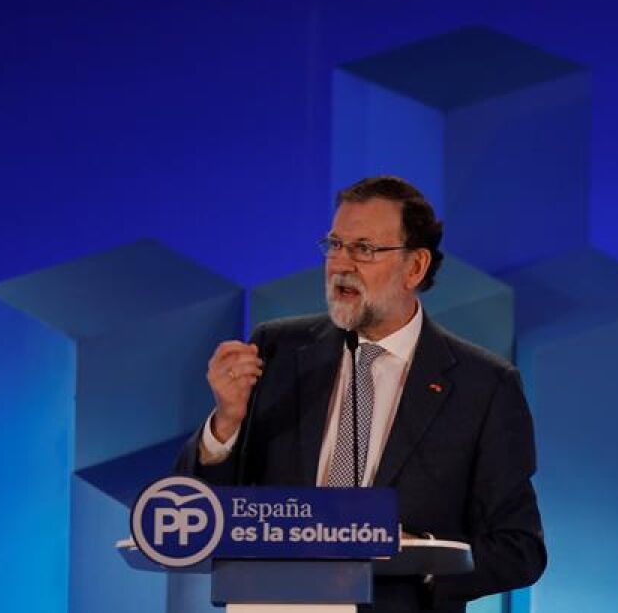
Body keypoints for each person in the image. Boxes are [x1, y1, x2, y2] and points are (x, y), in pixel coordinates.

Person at [174, 176, 545, 612]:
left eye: (364, 249)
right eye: (335, 245)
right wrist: (225, 424)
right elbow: (199, 512)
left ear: (415, 267)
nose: (340, 264)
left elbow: (520, 549)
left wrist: (423, 557)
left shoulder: (483, 386)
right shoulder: (276, 350)